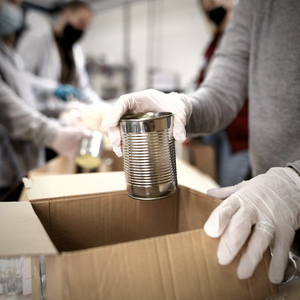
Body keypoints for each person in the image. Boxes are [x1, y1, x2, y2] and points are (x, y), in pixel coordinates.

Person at [102, 0, 300, 285]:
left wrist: (295, 179)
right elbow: (221, 91)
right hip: (268, 198)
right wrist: (181, 105)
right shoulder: (253, 6)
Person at [0, 0, 91, 199]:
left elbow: (22, 85)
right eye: (12, 2)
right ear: (67, 14)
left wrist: (61, 119)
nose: (17, 7)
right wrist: (52, 131)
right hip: (13, 152)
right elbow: (8, 104)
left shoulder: (7, 53)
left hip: (30, 150)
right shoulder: (37, 39)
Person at [195, 0, 250, 187]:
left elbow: (228, 89)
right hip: (218, 128)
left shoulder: (245, 38)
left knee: (229, 186)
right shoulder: (215, 41)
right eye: (204, 4)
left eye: (212, 2)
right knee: (212, 182)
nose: (210, 7)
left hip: (241, 132)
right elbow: (206, 83)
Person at [17, 0, 102, 109]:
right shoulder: (38, 37)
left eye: (85, 25)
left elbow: (84, 89)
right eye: (80, 22)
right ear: (66, 14)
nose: (82, 29)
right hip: (38, 111)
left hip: (65, 114)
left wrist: (102, 106)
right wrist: (53, 89)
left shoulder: (77, 50)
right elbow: (20, 77)